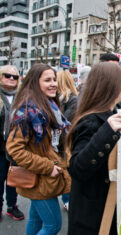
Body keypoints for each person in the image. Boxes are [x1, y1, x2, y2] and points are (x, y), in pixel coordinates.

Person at [6, 63, 71, 235]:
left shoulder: (48, 105)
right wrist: (47, 167)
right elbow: (15, 149)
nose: (53, 84)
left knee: (36, 221)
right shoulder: (27, 110)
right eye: (47, 80)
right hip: (41, 175)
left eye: (54, 80)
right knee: (53, 225)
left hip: (44, 177)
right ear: (35, 82)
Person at [67, 62, 121, 235]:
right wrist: (106, 131)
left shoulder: (113, 112)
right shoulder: (91, 121)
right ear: (113, 86)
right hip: (92, 213)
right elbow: (77, 168)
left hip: (106, 205)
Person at [0, 65, 24, 222]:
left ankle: (12, 206)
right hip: (0, 147)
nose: (11, 79)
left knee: (13, 178)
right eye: (7, 75)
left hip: (16, 147)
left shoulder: (22, 97)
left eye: (15, 77)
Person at [57, 70, 78, 211]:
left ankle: (67, 199)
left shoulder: (63, 99)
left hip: (63, 142)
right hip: (66, 141)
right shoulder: (72, 98)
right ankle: (67, 199)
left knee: (65, 171)